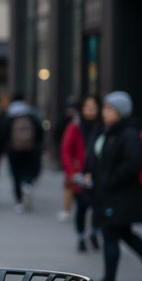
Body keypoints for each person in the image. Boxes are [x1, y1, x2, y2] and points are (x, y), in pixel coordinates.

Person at [87, 92, 142, 281]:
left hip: (120, 195)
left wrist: (109, 181)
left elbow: (133, 163)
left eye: (109, 108)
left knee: (111, 234)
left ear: (120, 111)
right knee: (124, 234)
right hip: (109, 193)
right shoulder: (108, 131)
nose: (104, 112)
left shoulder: (128, 133)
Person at [61, 95, 101, 252]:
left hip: (98, 175)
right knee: (82, 208)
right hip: (79, 175)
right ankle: (81, 236)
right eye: (87, 106)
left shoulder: (103, 126)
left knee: (98, 208)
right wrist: (73, 173)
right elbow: (66, 151)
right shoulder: (75, 127)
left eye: (94, 106)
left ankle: (95, 233)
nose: (91, 109)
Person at [5, 93, 44, 214]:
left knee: (16, 175)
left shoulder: (10, 114)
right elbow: (40, 130)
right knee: (28, 169)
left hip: (13, 149)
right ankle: (27, 183)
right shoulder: (31, 113)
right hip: (30, 148)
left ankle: (19, 201)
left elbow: (3, 131)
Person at [56, 97, 80, 222]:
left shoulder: (74, 123)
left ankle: (67, 211)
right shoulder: (75, 124)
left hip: (76, 159)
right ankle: (68, 210)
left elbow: (57, 132)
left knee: (70, 186)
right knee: (70, 185)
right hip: (74, 159)